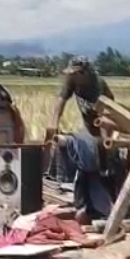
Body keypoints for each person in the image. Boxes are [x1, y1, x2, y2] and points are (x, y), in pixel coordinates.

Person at [44, 56, 119, 224]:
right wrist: (52, 125)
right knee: (81, 155)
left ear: (85, 73)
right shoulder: (72, 81)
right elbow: (60, 103)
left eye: (76, 74)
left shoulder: (96, 85)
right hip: (89, 124)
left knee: (100, 159)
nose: (72, 77)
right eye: (71, 74)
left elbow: (106, 115)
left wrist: (105, 141)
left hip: (105, 123)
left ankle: (104, 205)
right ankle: (83, 205)